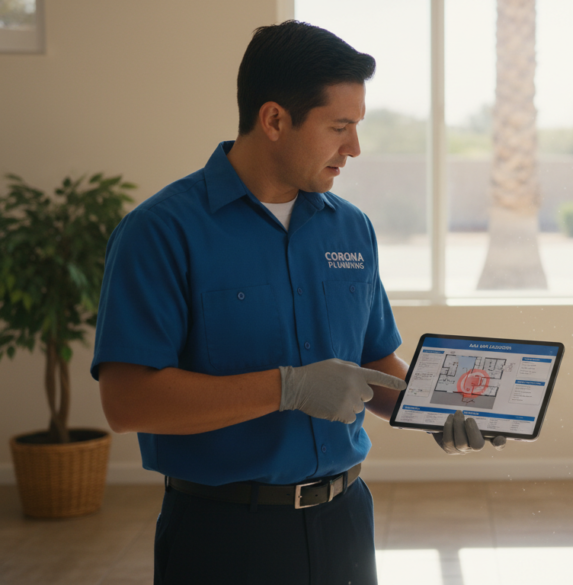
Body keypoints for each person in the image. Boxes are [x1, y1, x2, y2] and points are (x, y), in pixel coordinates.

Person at [91, 21, 498, 585]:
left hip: (345, 524)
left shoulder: (351, 229)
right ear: (275, 119)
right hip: (223, 537)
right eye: (339, 127)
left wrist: (437, 410)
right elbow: (127, 401)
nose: (354, 148)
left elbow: (374, 364)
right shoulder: (159, 233)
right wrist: (289, 387)